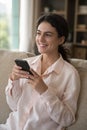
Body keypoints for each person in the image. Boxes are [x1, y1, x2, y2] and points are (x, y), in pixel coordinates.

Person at [0, 13, 80, 130]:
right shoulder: (27, 63)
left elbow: (67, 119)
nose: (40, 39)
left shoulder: (70, 74)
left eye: (48, 35)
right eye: (38, 33)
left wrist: (45, 91)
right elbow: (14, 106)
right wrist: (13, 80)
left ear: (61, 40)